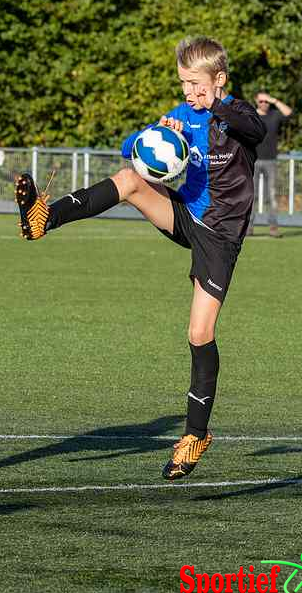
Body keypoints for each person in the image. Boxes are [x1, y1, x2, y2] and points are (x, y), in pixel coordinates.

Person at [13, 36, 264, 480]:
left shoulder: (237, 114)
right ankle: (42, 218)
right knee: (129, 180)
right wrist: (163, 132)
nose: (190, 92)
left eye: (197, 84)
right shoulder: (184, 114)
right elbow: (130, 145)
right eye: (185, 84)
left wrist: (215, 106)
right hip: (183, 213)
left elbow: (256, 132)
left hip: (220, 237)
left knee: (199, 332)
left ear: (219, 80)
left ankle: (195, 435)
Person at [253, 92, 293, 238]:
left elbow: (289, 113)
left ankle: (273, 227)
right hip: (254, 161)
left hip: (271, 161)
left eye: (266, 102)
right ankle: (248, 228)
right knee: (251, 196)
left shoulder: (275, 115)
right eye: (261, 101)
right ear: (256, 101)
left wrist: (274, 100)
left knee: (272, 196)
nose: (264, 104)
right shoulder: (251, 116)